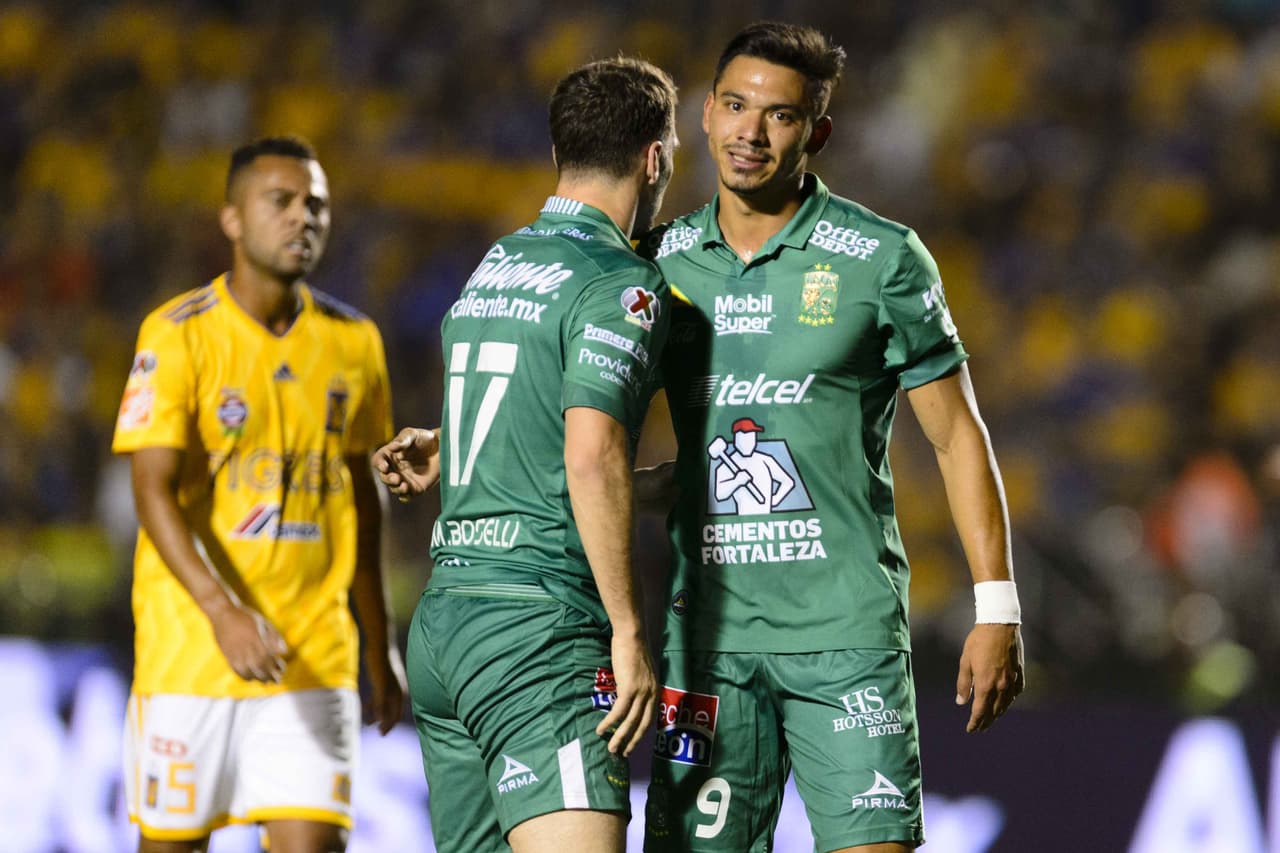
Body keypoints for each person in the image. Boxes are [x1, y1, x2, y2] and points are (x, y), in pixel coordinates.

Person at [637, 22, 1025, 853]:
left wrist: (997, 605)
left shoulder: (881, 259)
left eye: (778, 116)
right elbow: (598, 435)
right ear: (704, 115)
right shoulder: (655, 261)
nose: (750, 131)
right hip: (707, 641)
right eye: (735, 106)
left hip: (844, 637)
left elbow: (958, 437)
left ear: (817, 133)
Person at [373, 57, 678, 853]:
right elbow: (590, 454)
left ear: (559, 154)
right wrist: (626, 629)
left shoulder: (498, 264)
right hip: (537, 632)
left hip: (447, 625)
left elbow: (535, 430)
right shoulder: (620, 282)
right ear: (655, 156)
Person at [111, 136, 406, 852]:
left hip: (313, 655)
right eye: (281, 201)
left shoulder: (355, 341)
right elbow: (150, 489)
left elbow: (361, 503)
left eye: (317, 205)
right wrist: (223, 612)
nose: (303, 217)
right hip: (193, 655)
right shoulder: (178, 334)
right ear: (233, 219)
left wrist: (380, 641)